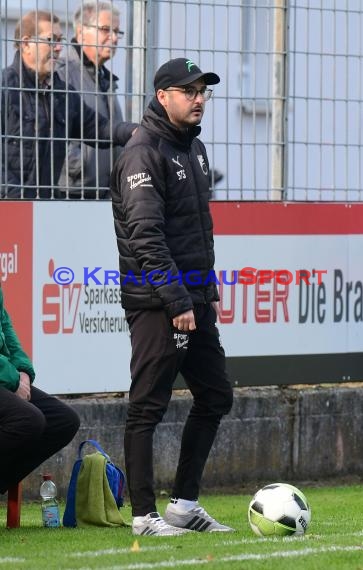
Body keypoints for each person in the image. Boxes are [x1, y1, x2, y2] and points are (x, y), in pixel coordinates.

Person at [111, 57, 234, 536]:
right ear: (163, 96)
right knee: (147, 405)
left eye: (203, 91)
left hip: (194, 299)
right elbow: (146, 237)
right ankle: (144, 516)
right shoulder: (143, 152)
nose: (199, 98)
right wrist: (177, 300)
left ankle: (183, 503)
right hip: (158, 302)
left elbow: (196, 231)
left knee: (216, 395)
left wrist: (204, 292)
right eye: (190, 91)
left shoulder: (194, 148)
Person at [0, 10, 136, 199]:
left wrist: (134, 131)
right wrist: (15, 196)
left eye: (60, 40)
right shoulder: (5, 87)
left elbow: (97, 127)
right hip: (10, 206)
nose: (58, 48)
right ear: (26, 44)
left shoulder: (61, 92)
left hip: (46, 205)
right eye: (51, 40)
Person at [0, 285, 80, 495]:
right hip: (4, 376)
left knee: (64, 421)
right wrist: (13, 378)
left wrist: (23, 370)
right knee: (29, 419)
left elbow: (6, 328)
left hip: (5, 376)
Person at [57, 1, 124, 199]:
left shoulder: (105, 78)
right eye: (105, 30)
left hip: (106, 192)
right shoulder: (61, 73)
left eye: (117, 31)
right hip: (74, 192)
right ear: (80, 32)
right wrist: (76, 166)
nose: (113, 38)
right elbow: (47, 129)